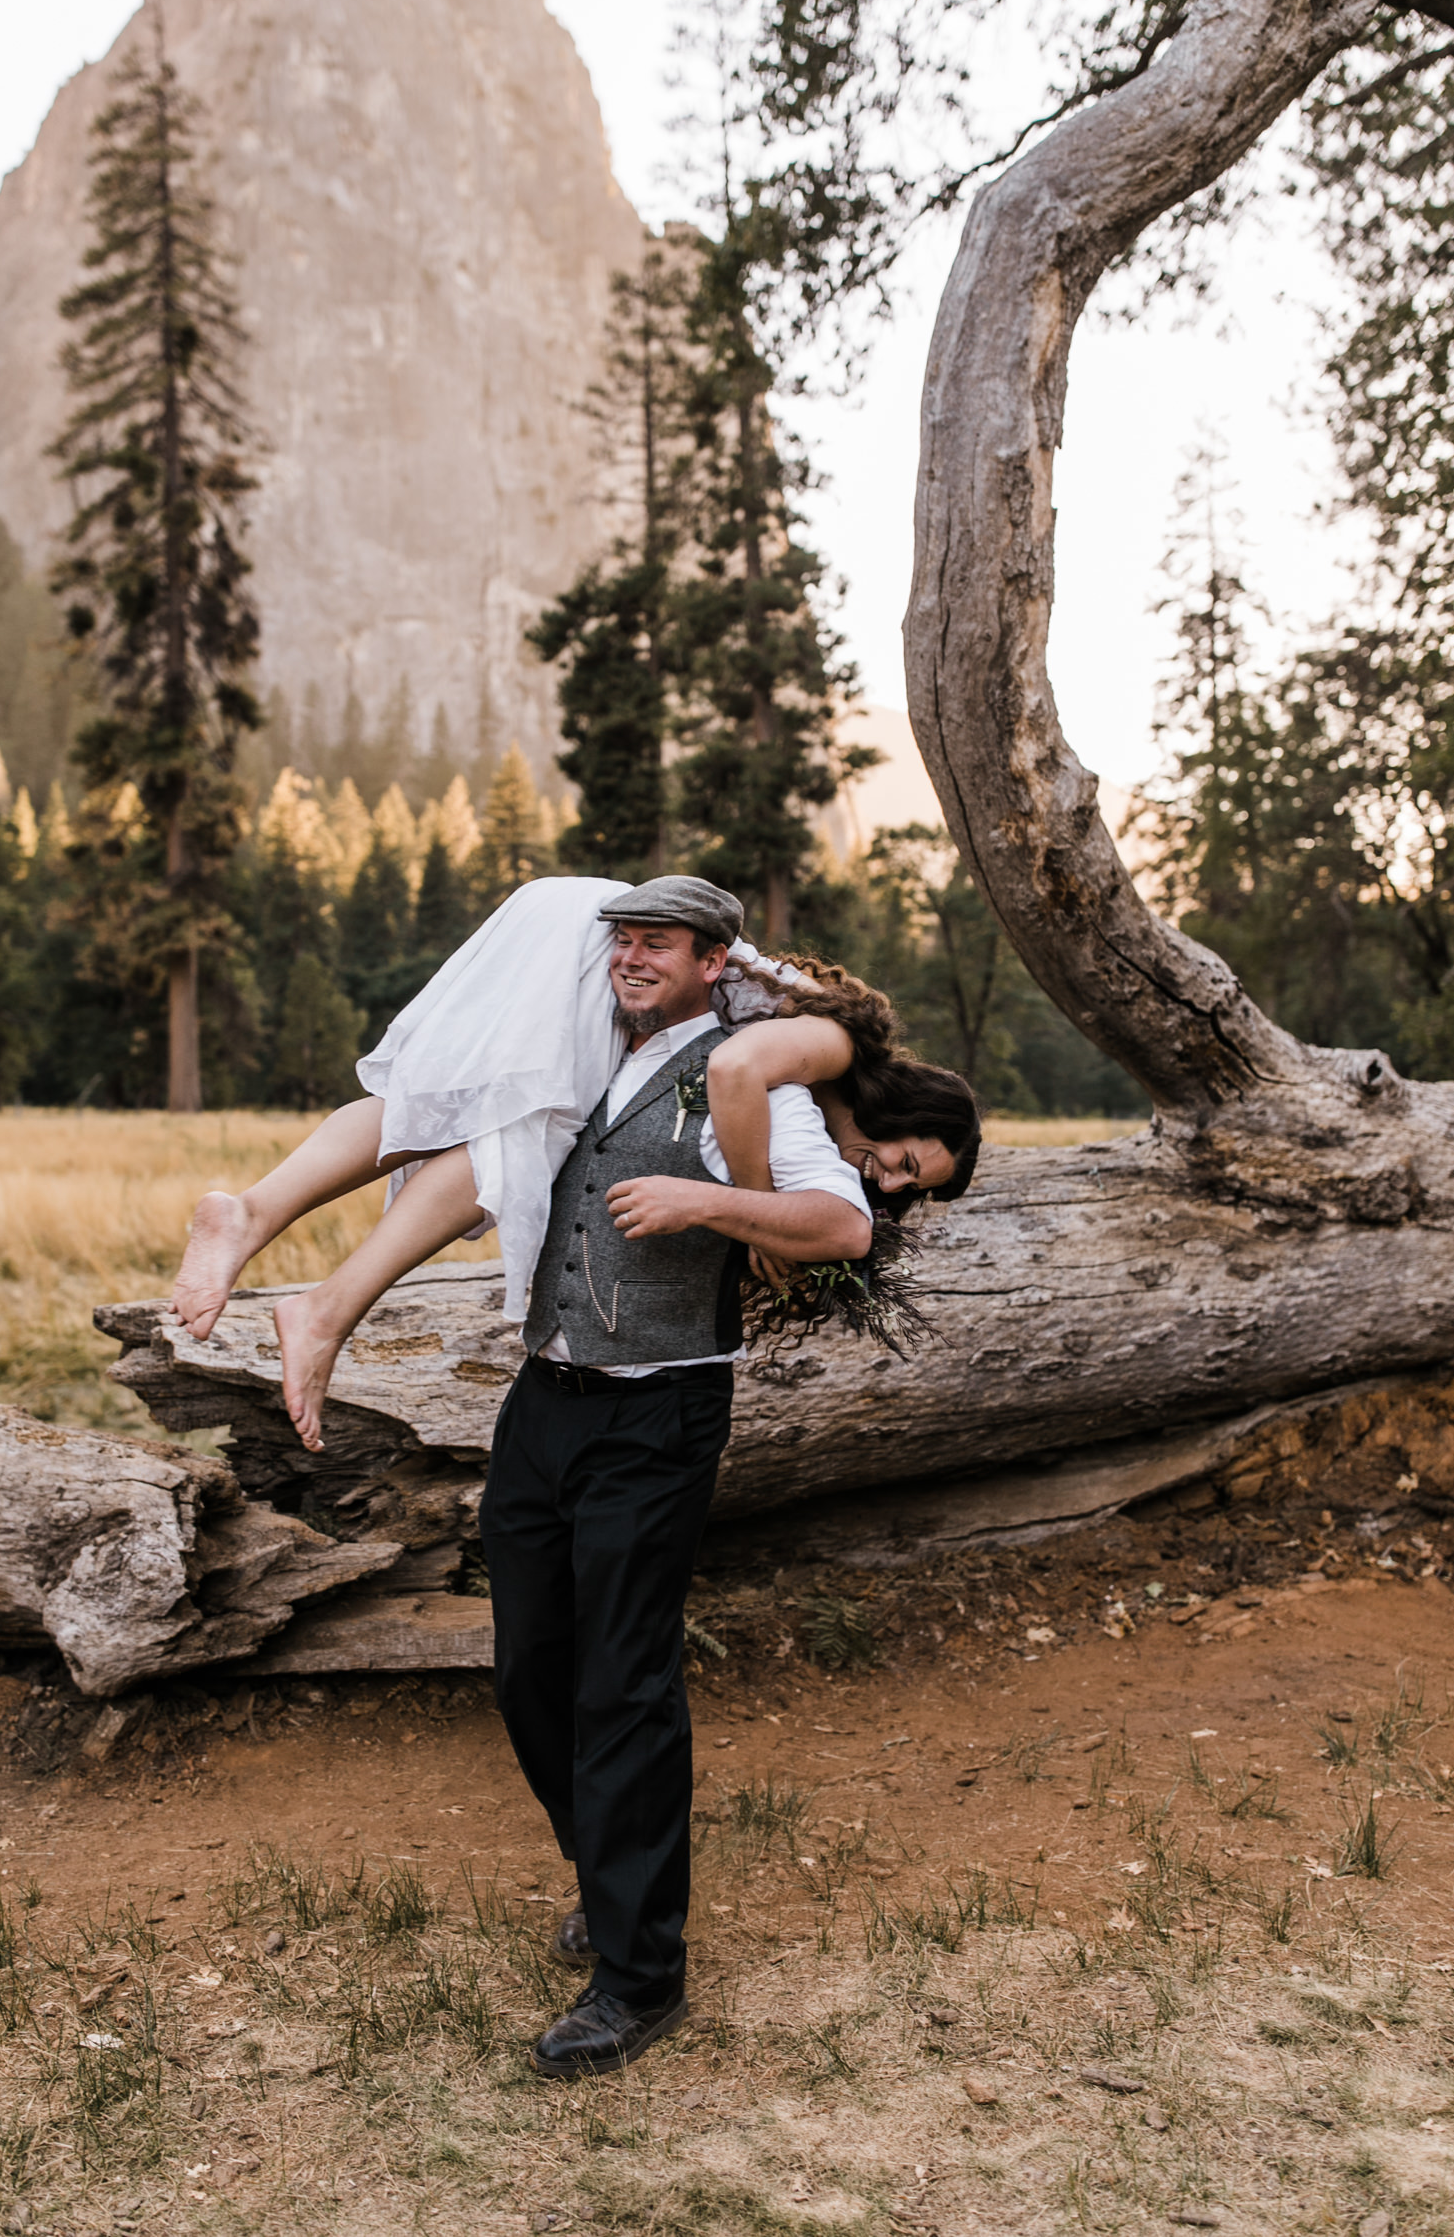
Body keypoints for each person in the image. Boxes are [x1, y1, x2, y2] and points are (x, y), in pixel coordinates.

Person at [477, 875, 875, 2076]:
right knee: (527, 1667)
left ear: (714, 960)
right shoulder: (583, 1055)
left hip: (658, 1413)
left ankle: (638, 1974)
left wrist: (705, 1196)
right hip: (542, 1400)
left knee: (624, 1685)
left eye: (657, 942)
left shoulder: (743, 1074)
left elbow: (839, 1224)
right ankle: (607, 1877)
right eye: (621, 941)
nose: (630, 958)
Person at [168, 874, 979, 1445]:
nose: (889, 1181)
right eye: (907, 1160)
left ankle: (255, 1211)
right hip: (620, 934)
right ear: (903, 1107)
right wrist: (759, 1219)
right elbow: (732, 1070)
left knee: (447, 1104)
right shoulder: (836, 1046)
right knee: (524, 1129)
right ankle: (326, 1309)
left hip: (583, 915)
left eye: (908, 1188)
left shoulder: (817, 1065)